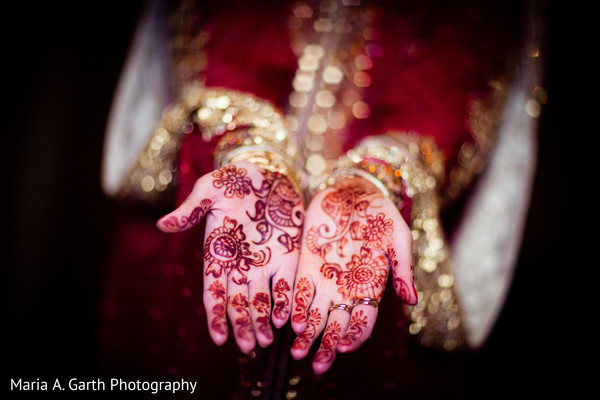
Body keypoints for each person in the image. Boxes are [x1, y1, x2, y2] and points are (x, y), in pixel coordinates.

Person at [98, 0, 542, 397]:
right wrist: (246, 146)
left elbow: (466, 67)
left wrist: (379, 175)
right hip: (203, 228)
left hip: (383, 260)